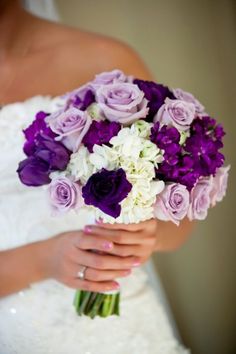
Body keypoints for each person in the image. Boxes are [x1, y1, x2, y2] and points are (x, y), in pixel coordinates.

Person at [0, 1, 193, 353]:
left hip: (126, 330)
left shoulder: (103, 59)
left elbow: (180, 215)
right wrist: (45, 258)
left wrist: (148, 234)